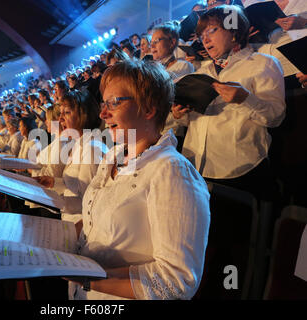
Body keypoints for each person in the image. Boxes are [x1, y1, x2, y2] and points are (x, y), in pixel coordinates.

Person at [67, 59, 210, 300]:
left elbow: (177, 280)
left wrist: (86, 278)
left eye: (114, 102)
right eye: (104, 103)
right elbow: (95, 222)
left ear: (148, 109)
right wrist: (54, 241)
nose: (103, 113)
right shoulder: (113, 156)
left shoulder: (172, 172)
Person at [172, 5, 286, 200]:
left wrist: (245, 99)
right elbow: (189, 122)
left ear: (234, 31)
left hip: (239, 169)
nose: (205, 40)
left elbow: (276, 117)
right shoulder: (201, 73)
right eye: (201, 35)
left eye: (212, 31)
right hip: (194, 169)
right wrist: (179, 115)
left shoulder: (262, 63)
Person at [34, 90, 106, 223]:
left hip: (81, 227)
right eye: (60, 113)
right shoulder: (80, 143)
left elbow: (90, 202)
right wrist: (55, 183)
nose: (60, 119)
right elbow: (77, 188)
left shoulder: (90, 148)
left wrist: (51, 201)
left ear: (84, 115)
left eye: (66, 113)